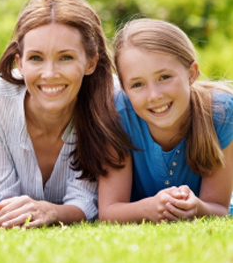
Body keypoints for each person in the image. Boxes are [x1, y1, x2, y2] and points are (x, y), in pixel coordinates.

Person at [0, 0, 130, 229]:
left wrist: (52, 212)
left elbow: (87, 200)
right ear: (20, 63)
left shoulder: (112, 98)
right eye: (36, 58)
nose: (49, 74)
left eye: (65, 57)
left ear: (90, 62)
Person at [98, 18, 233, 223]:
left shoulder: (220, 112)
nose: (154, 95)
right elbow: (109, 212)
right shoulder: (118, 114)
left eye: (164, 77)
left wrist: (197, 207)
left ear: (191, 73)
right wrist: (149, 208)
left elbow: (218, 207)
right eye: (137, 85)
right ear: (124, 90)